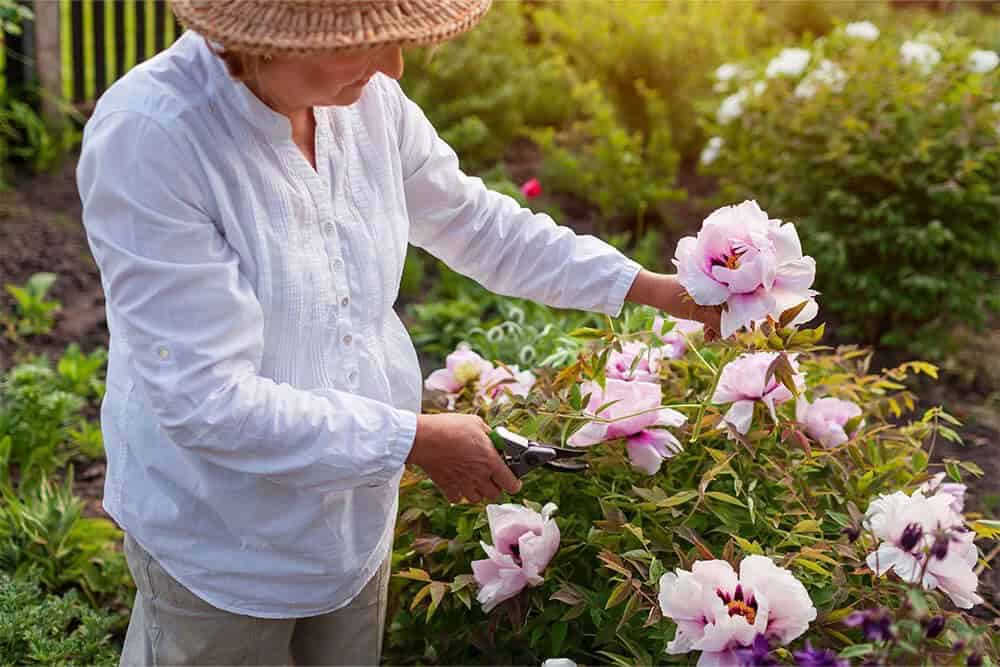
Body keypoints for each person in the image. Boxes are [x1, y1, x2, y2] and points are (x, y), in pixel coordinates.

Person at [76, 1, 721, 664]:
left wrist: (653, 289)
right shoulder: (153, 139)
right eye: (362, 43)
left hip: (354, 521)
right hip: (223, 544)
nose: (395, 63)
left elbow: (477, 224)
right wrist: (412, 438)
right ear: (265, 41)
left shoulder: (366, 101)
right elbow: (206, 400)